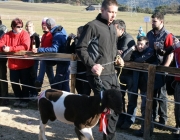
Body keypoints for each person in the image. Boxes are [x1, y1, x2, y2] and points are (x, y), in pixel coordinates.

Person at [76, 0, 124, 139]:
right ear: (102, 10)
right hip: (98, 75)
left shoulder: (112, 28)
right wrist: (92, 65)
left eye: (115, 12)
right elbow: (80, 48)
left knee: (116, 108)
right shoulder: (92, 26)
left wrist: (117, 57)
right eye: (110, 12)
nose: (113, 15)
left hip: (112, 74)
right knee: (108, 110)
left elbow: (113, 49)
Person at [147, 12, 174, 129]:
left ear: (161, 21)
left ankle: (162, 120)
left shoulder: (168, 35)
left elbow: (170, 54)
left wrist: (165, 68)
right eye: (152, 21)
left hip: (162, 67)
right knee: (151, 94)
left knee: (161, 95)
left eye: (154, 21)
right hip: (150, 68)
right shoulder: (149, 34)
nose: (152, 23)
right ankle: (152, 117)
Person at [0, 18, 34, 107]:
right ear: (13, 27)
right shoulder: (7, 35)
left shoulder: (24, 34)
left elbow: (25, 46)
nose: (21, 28)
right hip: (13, 64)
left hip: (24, 64)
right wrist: (3, 47)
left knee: (25, 82)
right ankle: (19, 98)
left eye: (22, 26)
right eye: (18, 26)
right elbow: (1, 43)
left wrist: (10, 48)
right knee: (14, 82)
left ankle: (25, 100)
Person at [33, 18, 70, 92]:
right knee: (62, 82)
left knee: (60, 83)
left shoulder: (57, 35)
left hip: (62, 61)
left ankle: (61, 99)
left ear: (48, 26)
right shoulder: (61, 30)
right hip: (63, 60)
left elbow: (54, 49)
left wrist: (39, 50)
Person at [113, 19, 136, 129]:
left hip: (130, 74)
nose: (112, 31)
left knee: (132, 98)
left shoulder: (128, 39)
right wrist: (116, 51)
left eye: (115, 29)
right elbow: (114, 53)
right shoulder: (116, 38)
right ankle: (121, 117)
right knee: (120, 96)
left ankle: (129, 120)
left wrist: (117, 52)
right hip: (121, 72)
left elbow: (124, 57)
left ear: (121, 29)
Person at [66, 26, 91, 95]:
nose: (77, 35)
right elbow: (68, 51)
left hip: (85, 72)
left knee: (85, 92)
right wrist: (68, 40)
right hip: (76, 72)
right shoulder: (75, 42)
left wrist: (76, 39)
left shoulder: (87, 43)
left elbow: (79, 50)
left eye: (78, 33)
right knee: (79, 91)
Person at [33, 17, 54, 92]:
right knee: (50, 75)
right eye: (42, 24)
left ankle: (39, 81)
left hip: (50, 57)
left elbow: (52, 48)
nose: (43, 26)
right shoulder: (44, 35)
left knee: (48, 72)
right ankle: (54, 90)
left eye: (45, 24)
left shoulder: (51, 34)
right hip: (44, 57)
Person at [25, 20, 40, 97]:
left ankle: (34, 92)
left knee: (34, 75)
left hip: (34, 58)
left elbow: (37, 47)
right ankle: (30, 91)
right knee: (27, 75)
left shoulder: (36, 36)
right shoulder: (25, 35)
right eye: (27, 26)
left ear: (33, 27)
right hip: (26, 58)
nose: (28, 28)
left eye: (30, 26)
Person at [0, 18, 8, 106]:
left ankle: (4, 97)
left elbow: (2, 42)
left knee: (2, 77)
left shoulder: (2, 28)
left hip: (1, 57)